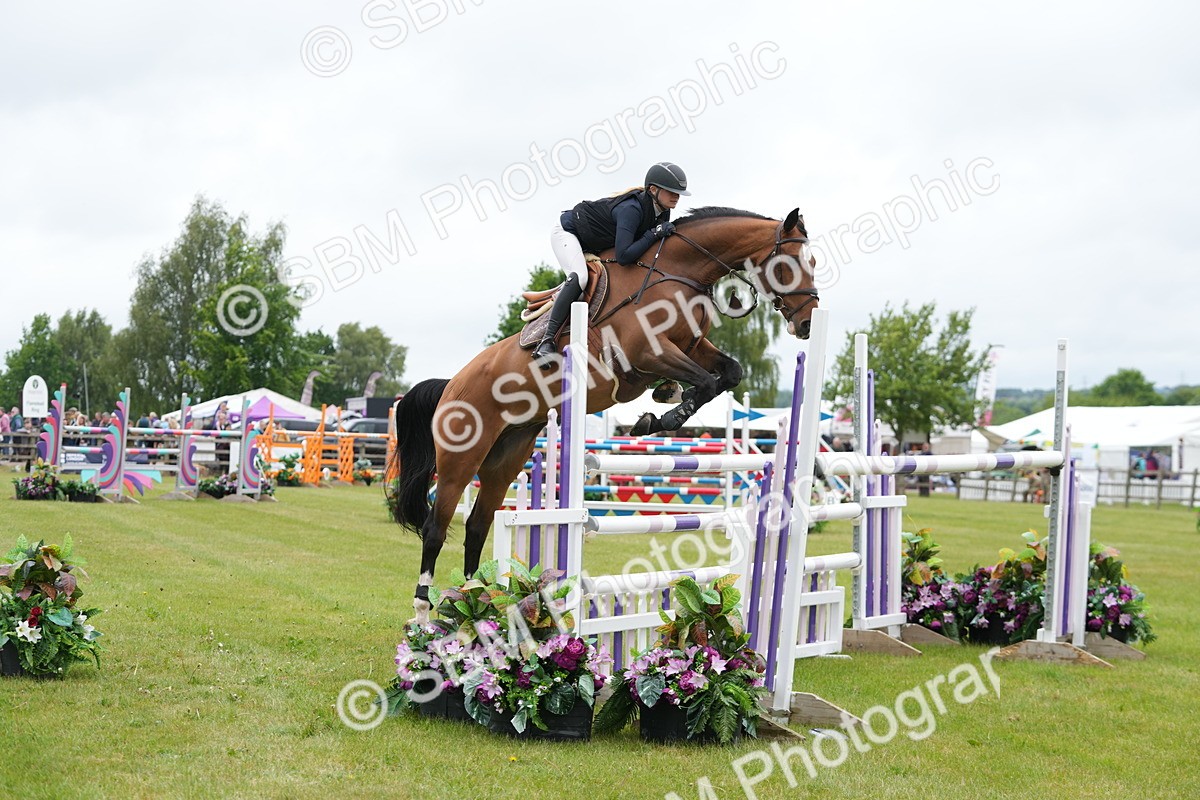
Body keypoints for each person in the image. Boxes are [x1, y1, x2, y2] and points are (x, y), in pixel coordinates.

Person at [532, 162, 691, 368]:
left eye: (679, 193)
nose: (676, 196)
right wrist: (653, 233)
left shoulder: (662, 211)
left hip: (597, 242)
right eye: (672, 191)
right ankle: (546, 341)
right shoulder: (632, 209)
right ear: (653, 189)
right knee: (580, 278)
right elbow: (624, 255)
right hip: (568, 233)